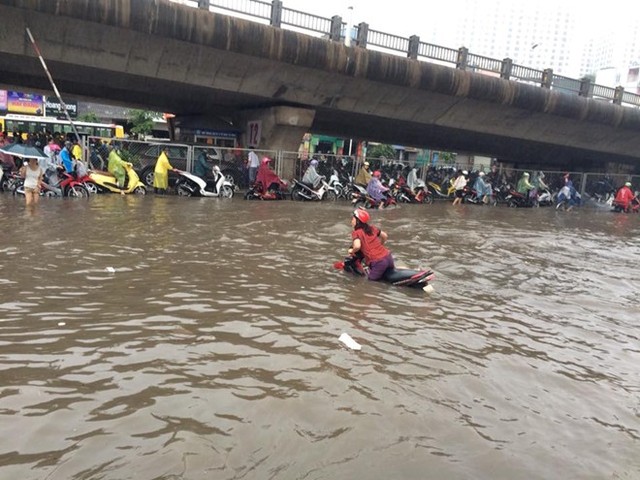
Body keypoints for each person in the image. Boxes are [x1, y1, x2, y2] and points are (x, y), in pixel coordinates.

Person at [348, 207, 394, 281]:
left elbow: (357, 246)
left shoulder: (356, 233)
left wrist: (352, 251)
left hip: (379, 262)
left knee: (370, 283)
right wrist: (381, 245)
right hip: (388, 257)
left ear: (357, 221)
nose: (351, 221)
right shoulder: (372, 228)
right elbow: (385, 236)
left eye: (353, 219)